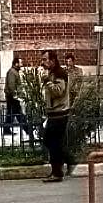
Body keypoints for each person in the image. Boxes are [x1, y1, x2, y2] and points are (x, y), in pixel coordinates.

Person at [40, 52, 76, 182]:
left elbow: (58, 91)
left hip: (59, 113)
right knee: (49, 142)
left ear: (53, 60)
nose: (43, 62)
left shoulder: (60, 73)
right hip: (53, 113)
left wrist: (47, 82)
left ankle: (59, 171)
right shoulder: (52, 73)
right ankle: (58, 168)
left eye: (45, 60)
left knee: (54, 143)